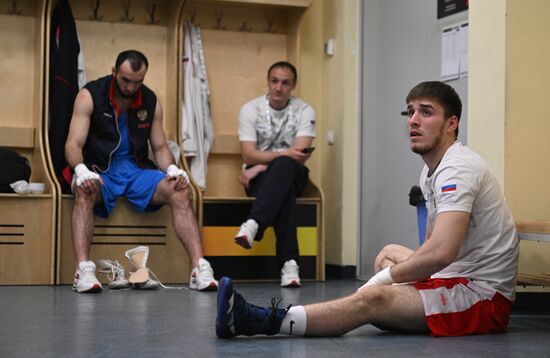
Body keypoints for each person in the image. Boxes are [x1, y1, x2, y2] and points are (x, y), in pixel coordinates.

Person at [215, 81, 519, 338]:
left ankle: (261, 320)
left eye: (426, 113)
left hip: (483, 298)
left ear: (451, 123)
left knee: (374, 296)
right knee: (387, 254)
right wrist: (392, 273)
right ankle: (397, 307)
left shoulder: (458, 168)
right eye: (410, 111)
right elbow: (431, 248)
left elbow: (441, 253)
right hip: (454, 276)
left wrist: (383, 282)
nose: (413, 120)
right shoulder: (430, 171)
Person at [65, 50, 218, 293]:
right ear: (114, 72)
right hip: (99, 169)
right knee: (83, 191)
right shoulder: (89, 95)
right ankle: (82, 270)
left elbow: (159, 147)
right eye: (125, 80)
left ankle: (199, 268)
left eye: (137, 82)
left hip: (136, 171)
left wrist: (172, 169)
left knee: (178, 191)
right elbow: (73, 144)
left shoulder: (150, 100)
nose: (130, 87)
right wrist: (81, 170)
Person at [233, 61, 316, 287]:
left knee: (287, 167)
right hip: (258, 181)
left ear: (293, 86)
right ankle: (290, 264)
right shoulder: (250, 109)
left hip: (292, 175)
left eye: (285, 83)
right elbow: (248, 155)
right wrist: (263, 163)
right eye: (275, 81)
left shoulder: (305, 110)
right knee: (284, 192)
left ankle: (253, 223)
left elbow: (298, 155)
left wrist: (261, 165)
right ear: (268, 81)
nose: (279, 87)